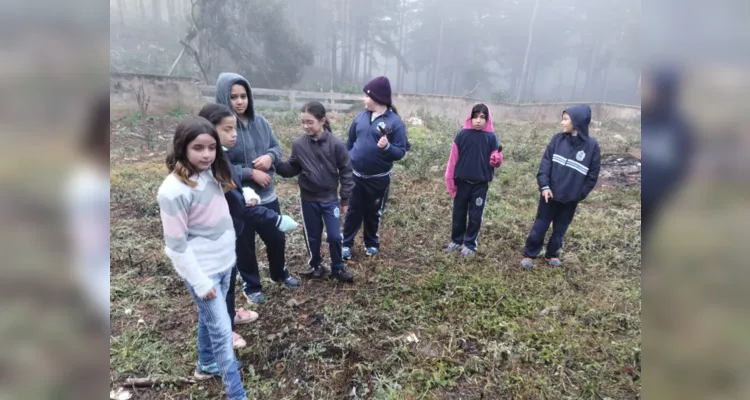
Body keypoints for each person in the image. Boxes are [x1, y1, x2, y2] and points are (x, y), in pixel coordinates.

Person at [156, 115, 248, 400]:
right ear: (182, 147)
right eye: (198, 148)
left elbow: (221, 207)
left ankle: (206, 365)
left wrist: (250, 197)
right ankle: (237, 394)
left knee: (210, 322)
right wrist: (199, 283)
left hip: (224, 264)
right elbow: (176, 246)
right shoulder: (172, 191)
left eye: (211, 147)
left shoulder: (210, 173)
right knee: (222, 333)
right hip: (204, 273)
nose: (206, 154)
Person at [198, 103, 299, 348]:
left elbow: (234, 190)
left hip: (227, 230)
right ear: (209, 130)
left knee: (228, 279)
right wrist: (275, 219)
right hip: (215, 237)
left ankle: (230, 315)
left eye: (235, 129)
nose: (235, 134)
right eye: (228, 129)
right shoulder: (210, 165)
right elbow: (238, 208)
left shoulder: (220, 157)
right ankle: (224, 331)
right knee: (219, 284)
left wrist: (244, 191)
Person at [215, 72, 300, 305]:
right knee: (245, 245)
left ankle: (279, 273)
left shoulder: (261, 122)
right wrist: (250, 172)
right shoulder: (220, 129)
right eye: (233, 97)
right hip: (238, 198)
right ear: (223, 98)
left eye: (243, 96)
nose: (240, 101)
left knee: (276, 237)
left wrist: (269, 158)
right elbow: (220, 164)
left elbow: (276, 147)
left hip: (266, 195)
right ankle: (251, 285)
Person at [276, 101, 355, 282]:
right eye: (303, 122)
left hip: (330, 199)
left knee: (335, 236)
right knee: (312, 236)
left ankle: (338, 268)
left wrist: (345, 198)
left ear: (322, 121)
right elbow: (293, 168)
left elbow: (346, 171)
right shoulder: (298, 144)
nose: (305, 126)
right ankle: (316, 265)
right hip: (308, 199)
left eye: (309, 122)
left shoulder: (336, 144)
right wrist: (277, 164)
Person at [521, 105, 601, 268]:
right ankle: (530, 253)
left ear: (577, 122)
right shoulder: (557, 140)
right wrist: (544, 186)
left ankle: (552, 254)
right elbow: (545, 165)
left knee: (560, 228)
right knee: (540, 225)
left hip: (570, 199)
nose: (562, 123)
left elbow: (592, 175)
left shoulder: (592, 147)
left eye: (565, 119)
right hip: (549, 195)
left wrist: (579, 195)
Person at [342, 76, 408, 260]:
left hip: (378, 179)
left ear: (377, 97)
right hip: (356, 176)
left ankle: (371, 243)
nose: (363, 100)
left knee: (373, 212)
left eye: (366, 96)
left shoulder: (395, 123)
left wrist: (387, 147)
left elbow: (401, 151)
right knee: (353, 211)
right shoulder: (360, 118)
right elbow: (350, 143)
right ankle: (346, 244)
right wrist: (346, 163)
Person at [444, 103, 504, 258]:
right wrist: (450, 179)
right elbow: (453, 159)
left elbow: (496, 159)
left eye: (482, 118)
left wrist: (496, 159)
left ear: (487, 119)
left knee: (475, 215)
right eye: (475, 117)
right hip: (462, 183)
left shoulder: (491, 137)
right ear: (470, 118)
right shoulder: (462, 135)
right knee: (459, 213)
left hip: (480, 185)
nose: (478, 121)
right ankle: (457, 240)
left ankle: (470, 243)